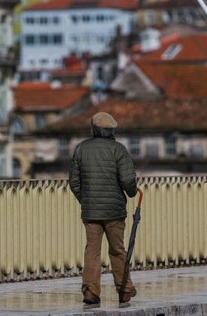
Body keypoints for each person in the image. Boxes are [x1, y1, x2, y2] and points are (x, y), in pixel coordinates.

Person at [68, 111, 138, 306]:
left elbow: (73, 181)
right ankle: (124, 290)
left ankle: (90, 292)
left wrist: (86, 199)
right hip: (115, 210)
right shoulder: (118, 150)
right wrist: (131, 193)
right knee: (117, 250)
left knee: (92, 251)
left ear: (94, 129)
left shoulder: (81, 148)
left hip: (91, 211)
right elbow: (127, 179)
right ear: (111, 131)